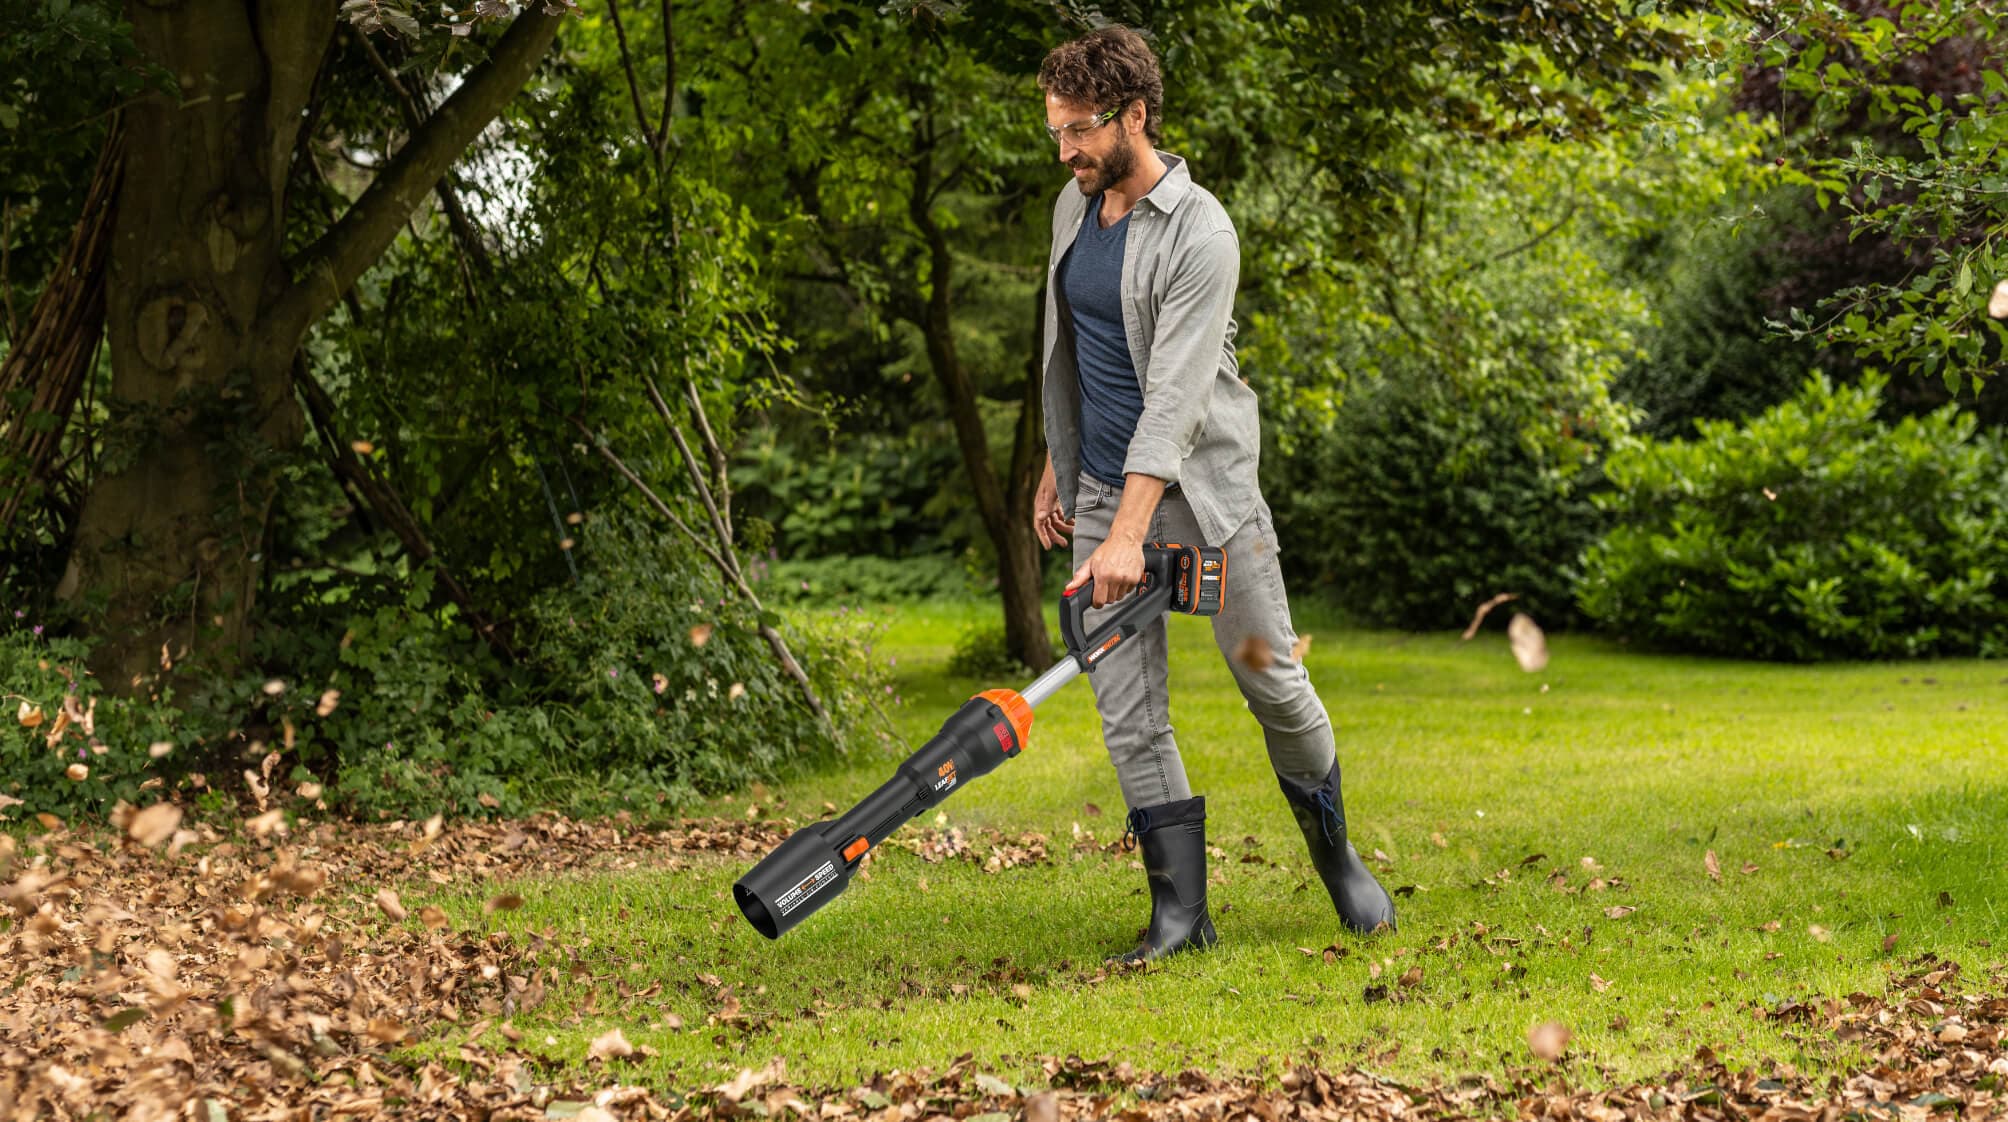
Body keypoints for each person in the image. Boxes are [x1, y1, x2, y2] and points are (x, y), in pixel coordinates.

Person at [1031, 27, 1395, 962]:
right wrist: (1058, 463)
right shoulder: (1073, 211)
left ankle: (1338, 855)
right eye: (1057, 130)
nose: (1064, 150)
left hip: (1205, 497)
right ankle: (1182, 918)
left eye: (1079, 131)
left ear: (1135, 116)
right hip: (1106, 493)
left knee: (1271, 681)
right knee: (1125, 707)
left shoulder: (1203, 232)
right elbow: (1070, 354)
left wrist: (1131, 534)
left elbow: (1179, 398)